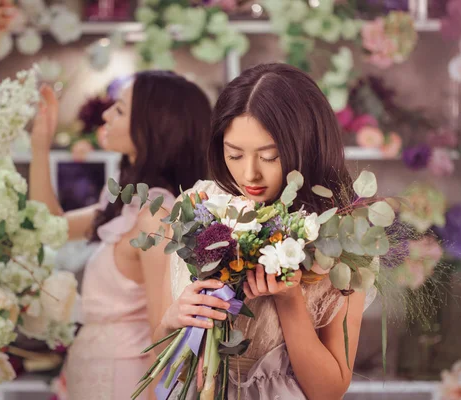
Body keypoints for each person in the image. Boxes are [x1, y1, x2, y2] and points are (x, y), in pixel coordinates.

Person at [154, 63, 376, 399]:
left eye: (269, 157)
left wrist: (289, 301)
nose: (250, 174)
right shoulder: (197, 206)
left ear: (308, 147)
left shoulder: (339, 238)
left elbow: (329, 391)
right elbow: (158, 353)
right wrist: (172, 320)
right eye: (235, 154)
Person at [30, 71, 212, 400]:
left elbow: (164, 336)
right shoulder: (128, 203)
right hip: (94, 371)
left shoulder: (157, 217)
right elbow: (49, 225)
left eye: (119, 110)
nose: (105, 115)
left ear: (153, 127)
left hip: (126, 379)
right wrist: (40, 144)